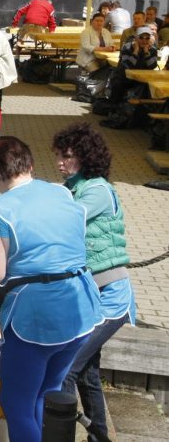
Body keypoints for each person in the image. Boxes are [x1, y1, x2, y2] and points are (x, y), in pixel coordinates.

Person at [0, 137, 101, 442]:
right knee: (45, 393)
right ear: (29, 164)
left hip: (36, 318)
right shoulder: (61, 192)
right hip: (81, 307)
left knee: (15, 403)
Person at [53, 124, 136, 442]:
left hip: (111, 296)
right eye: (59, 156)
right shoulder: (75, 187)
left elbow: (64, 220)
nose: (61, 162)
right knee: (87, 373)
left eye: (68, 156)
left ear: (86, 157)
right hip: (91, 296)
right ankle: (100, 436)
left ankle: (60, 435)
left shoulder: (96, 190)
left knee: (66, 370)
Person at [107, 24, 158, 107]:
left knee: (151, 87)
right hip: (125, 77)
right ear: (136, 38)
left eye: (147, 38)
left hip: (143, 79)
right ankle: (114, 108)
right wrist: (135, 52)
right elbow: (128, 65)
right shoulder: (127, 47)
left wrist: (146, 53)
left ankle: (142, 111)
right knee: (117, 83)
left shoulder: (152, 49)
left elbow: (152, 66)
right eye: (141, 37)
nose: (144, 41)